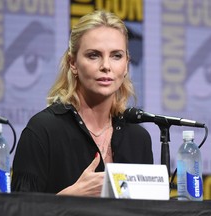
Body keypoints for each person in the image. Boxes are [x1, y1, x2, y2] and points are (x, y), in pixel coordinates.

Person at [11, 10, 153, 196]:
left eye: (116, 56)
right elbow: (18, 210)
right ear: (73, 63)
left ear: (126, 64)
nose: (106, 66)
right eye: (94, 55)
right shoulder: (42, 130)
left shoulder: (138, 139)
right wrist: (71, 197)